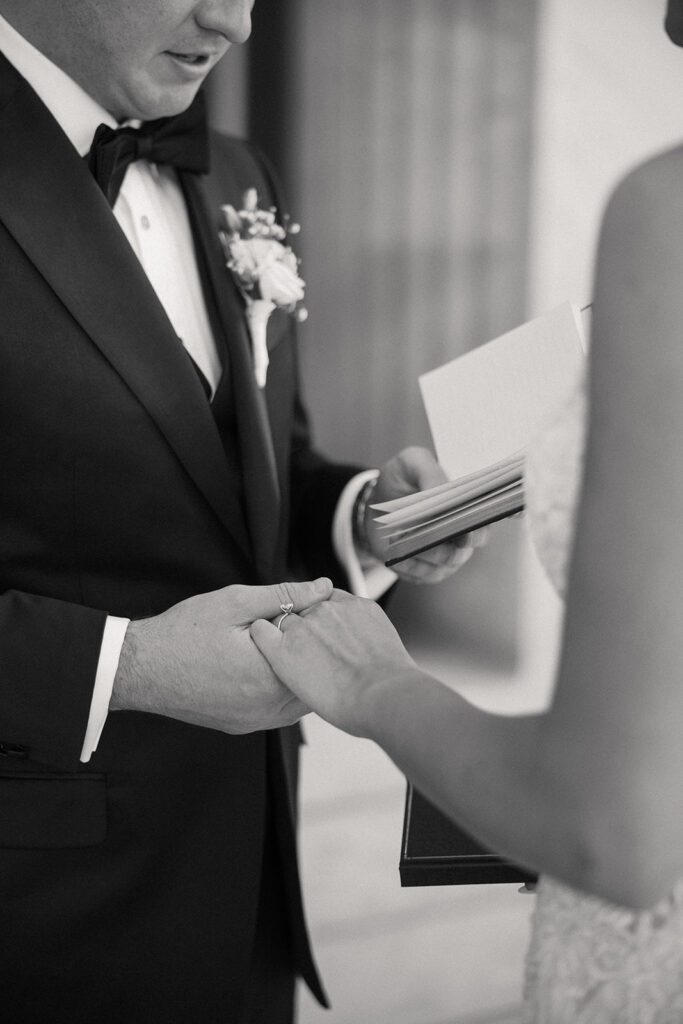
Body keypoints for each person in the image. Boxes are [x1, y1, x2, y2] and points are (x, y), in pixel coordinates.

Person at [0, 1, 477, 1021]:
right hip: (37, 915)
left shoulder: (237, 171)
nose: (232, 22)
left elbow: (247, 475)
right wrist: (127, 667)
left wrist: (360, 520)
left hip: (244, 895)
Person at [251, 2, 683, 1018]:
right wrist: (368, 521)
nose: (662, 20)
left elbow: (607, 829)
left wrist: (375, 686)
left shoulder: (666, 217)